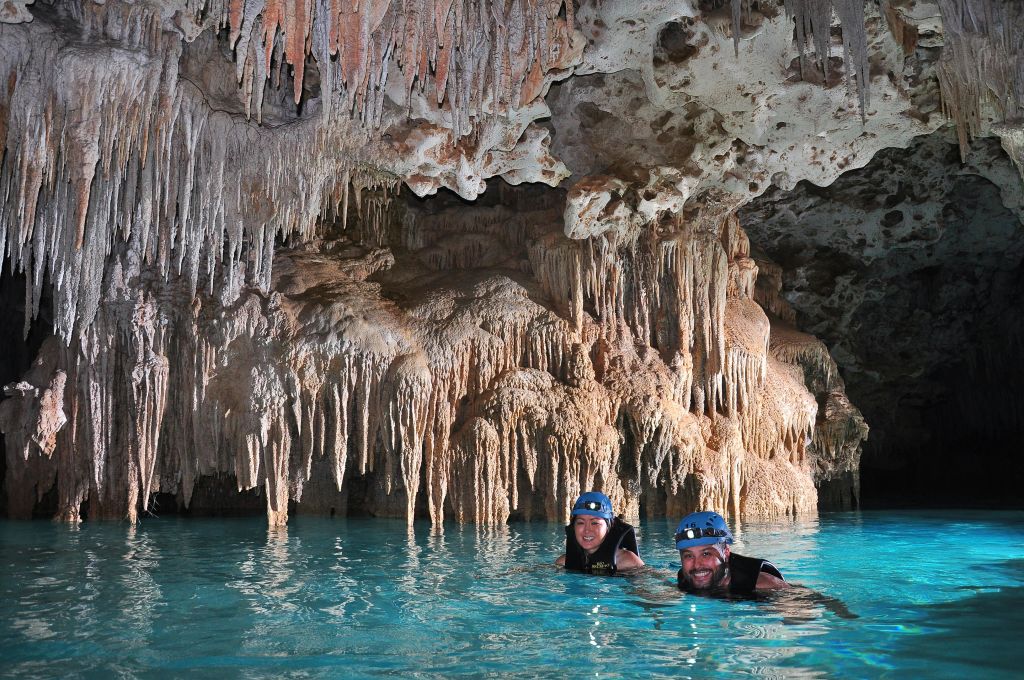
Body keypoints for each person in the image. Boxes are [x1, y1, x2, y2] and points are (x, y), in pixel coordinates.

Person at [675, 510, 788, 594]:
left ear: (726, 552)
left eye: (706, 554)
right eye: (689, 556)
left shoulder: (763, 585)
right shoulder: (685, 580)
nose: (697, 565)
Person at [555, 491, 645, 574]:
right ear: (573, 527)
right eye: (580, 523)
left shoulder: (629, 562)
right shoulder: (563, 563)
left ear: (609, 526)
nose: (587, 530)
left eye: (595, 523)